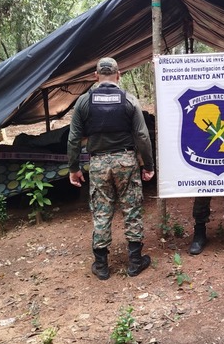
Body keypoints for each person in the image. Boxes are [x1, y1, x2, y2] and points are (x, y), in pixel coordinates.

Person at [67, 57, 155, 280]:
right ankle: (135, 262)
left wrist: (74, 168)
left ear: (95, 76)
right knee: (131, 208)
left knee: (101, 211)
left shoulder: (84, 102)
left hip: (98, 163)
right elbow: (143, 136)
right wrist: (149, 166)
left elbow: (73, 138)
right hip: (126, 161)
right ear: (119, 74)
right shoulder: (130, 101)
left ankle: (101, 265)